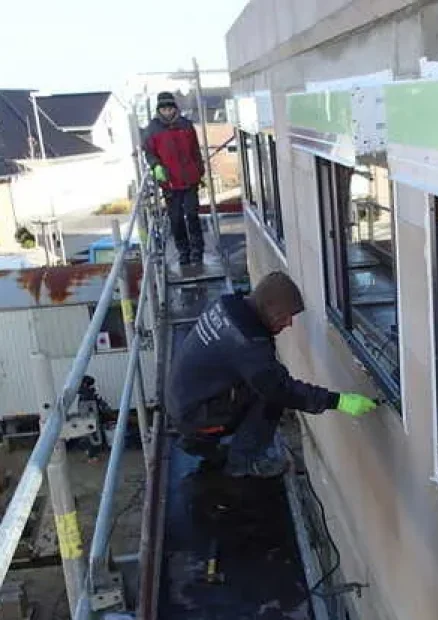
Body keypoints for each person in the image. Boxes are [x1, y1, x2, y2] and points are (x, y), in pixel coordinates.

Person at [167, 271, 378, 478]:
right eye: (285, 316)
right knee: (271, 396)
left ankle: (197, 442)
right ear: (267, 308)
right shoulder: (247, 342)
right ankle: (245, 461)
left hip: (181, 401)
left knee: (266, 379)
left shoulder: (227, 304)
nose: (289, 323)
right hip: (195, 415)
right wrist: (339, 401)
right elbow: (281, 390)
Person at [143, 91, 205, 267]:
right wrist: (156, 166)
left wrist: (199, 170)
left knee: (192, 215)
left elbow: (195, 150)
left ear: (175, 108)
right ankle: (183, 252)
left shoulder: (186, 125)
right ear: (159, 110)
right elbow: (149, 152)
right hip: (170, 182)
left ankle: (197, 251)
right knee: (176, 219)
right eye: (164, 109)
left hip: (190, 179)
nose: (167, 112)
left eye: (170, 108)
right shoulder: (152, 130)